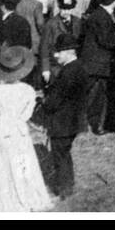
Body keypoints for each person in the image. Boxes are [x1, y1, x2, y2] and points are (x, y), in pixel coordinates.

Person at [0, 45, 51, 212]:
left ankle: (3, 201)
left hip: (2, 132)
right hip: (19, 132)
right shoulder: (28, 91)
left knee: (1, 166)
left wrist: (2, 121)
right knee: (22, 165)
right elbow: (26, 115)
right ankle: (23, 198)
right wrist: (15, 120)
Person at [39, 34, 87, 198]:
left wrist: (44, 102)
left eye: (59, 52)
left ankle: (64, 188)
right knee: (65, 153)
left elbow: (54, 101)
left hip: (62, 123)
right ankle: (68, 185)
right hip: (73, 121)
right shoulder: (79, 67)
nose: (55, 55)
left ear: (69, 52)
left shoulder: (67, 72)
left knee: (60, 156)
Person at [79, 0, 115, 135]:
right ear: (112, 1)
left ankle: (83, 125)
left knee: (88, 95)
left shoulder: (98, 14)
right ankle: (98, 126)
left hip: (91, 61)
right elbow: (106, 41)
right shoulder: (102, 17)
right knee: (100, 96)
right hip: (99, 63)